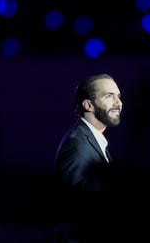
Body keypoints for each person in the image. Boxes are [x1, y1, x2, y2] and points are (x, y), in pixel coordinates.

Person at [54, 73, 123, 242]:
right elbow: (78, 205)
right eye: (109, 96)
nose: (118, 103)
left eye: (119, 96)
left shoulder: (91, 141)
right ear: (88, 105)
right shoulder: (76, 145)